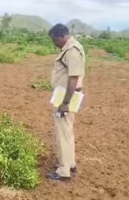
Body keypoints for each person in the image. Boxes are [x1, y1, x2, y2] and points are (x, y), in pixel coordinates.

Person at [46, 24, 85, 181]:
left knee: (63, 133)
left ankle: (63, 171)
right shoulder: (73, 47)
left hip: (66, 97)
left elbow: (73, 78)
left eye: (54, 40)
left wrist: (65, 103)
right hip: (66, 95)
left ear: (62, 36)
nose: (54, 43)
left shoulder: (72, 51)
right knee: (67, 132)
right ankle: (70, 163)